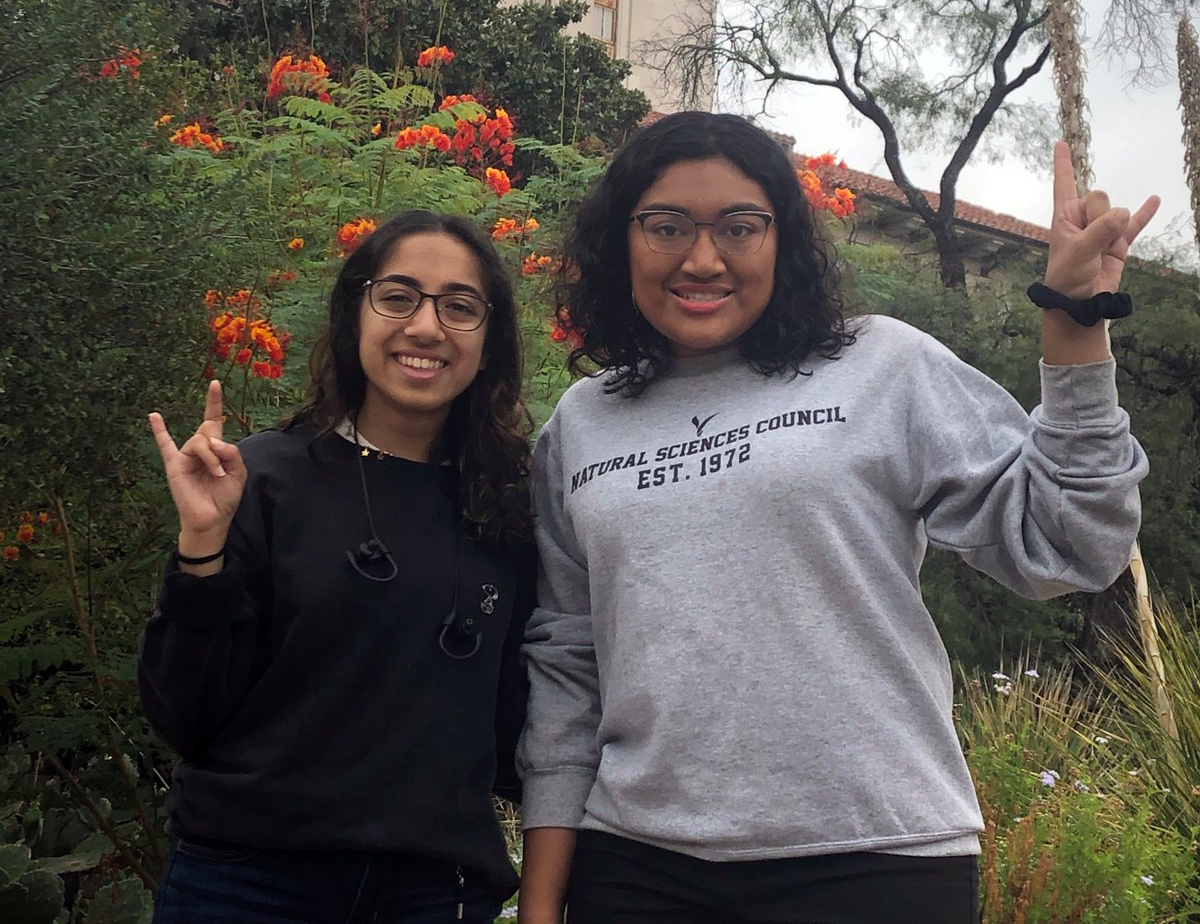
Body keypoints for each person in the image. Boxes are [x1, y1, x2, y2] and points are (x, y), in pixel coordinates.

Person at [515, 112, 1158, 924]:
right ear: (623, 242)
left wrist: (1073, 321)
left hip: (873, 860)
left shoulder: (882, 365)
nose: (702, 258)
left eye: (739, 227)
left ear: (782, 242)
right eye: (666, 226)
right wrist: (540, 904)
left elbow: (1071, 545)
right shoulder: (581, 424)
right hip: (639, 868)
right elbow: (569, 667)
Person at [140, 209, 535, 924]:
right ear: (356, 311)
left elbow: (525, 724)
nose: (425, 326)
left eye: (459, 306)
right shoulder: (262, 479)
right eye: (398, 296)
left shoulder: (507, 509)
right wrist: (201, 548)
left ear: (490, 337)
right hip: (247, 881)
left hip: (432, 888)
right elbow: (183, 716)